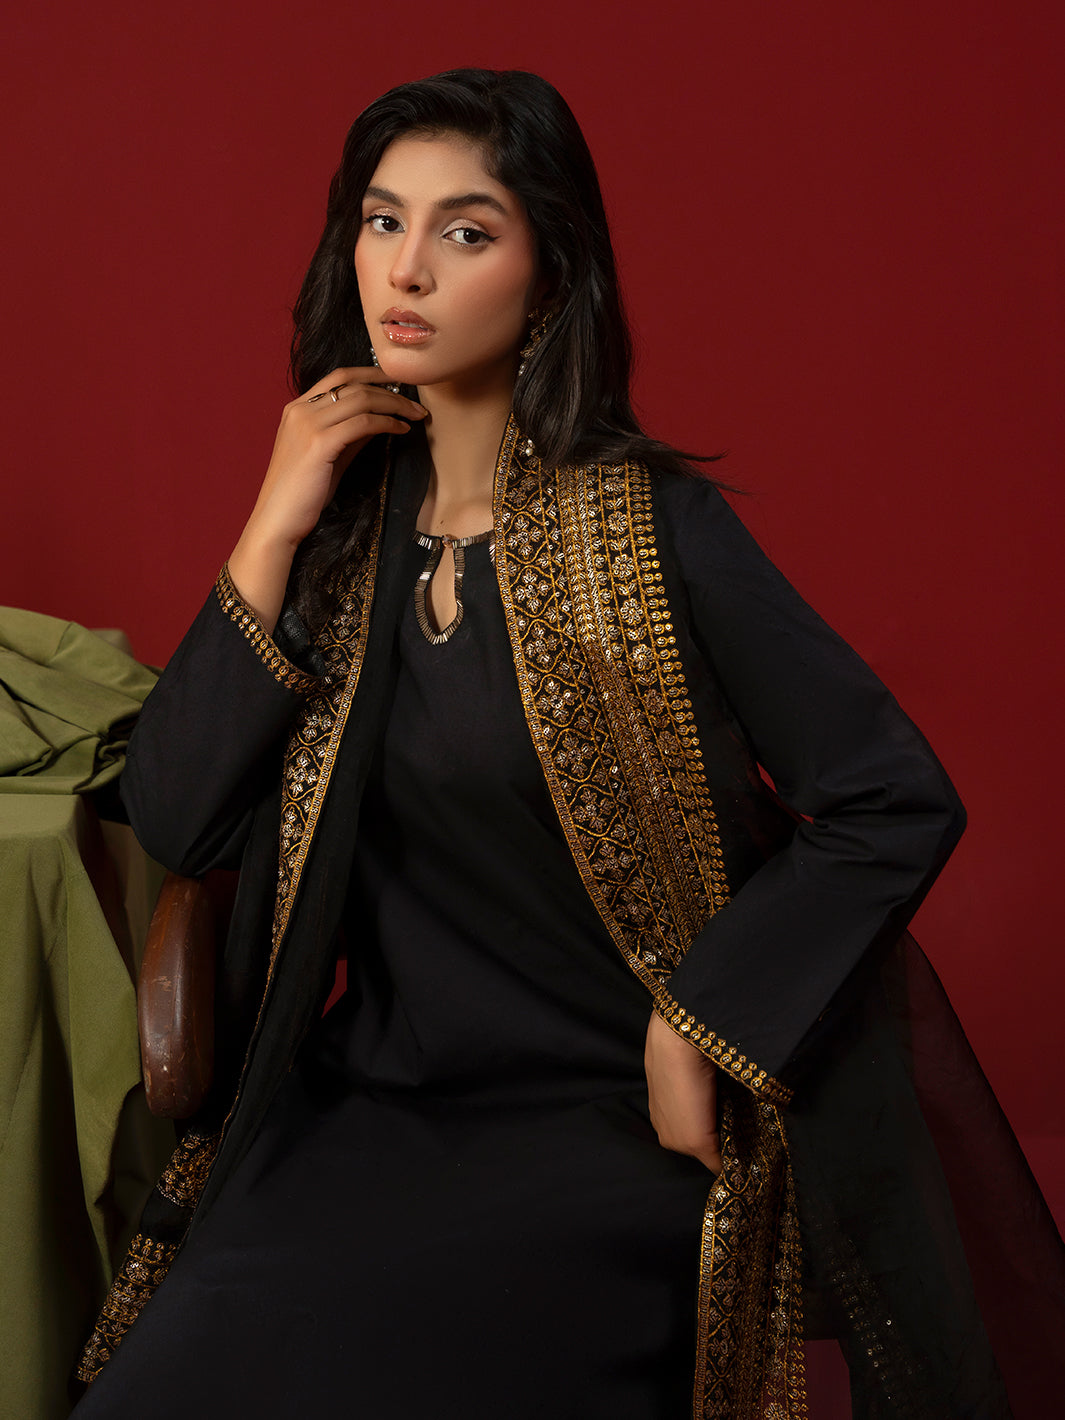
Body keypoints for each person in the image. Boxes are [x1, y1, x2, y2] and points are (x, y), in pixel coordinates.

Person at [72, 68, 1062, 1420]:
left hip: (612, 1124)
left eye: (466, 232)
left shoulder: (658, 533)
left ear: (548, 275)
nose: (406, 269)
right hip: (373, 1109)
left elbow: (891, 798)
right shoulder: (339, 544)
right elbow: (179, 817)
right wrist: (270, 525)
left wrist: (699, 1022)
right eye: (381, 221)